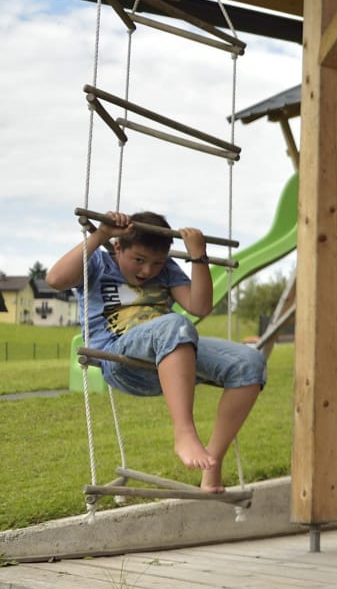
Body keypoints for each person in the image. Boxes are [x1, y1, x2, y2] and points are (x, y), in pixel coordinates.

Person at [46, 210, 268, 494]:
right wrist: (101, 234)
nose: (147, 271)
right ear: (118, 246)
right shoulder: (99, 264)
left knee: (250, 362)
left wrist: (198, 257)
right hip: (121, 358)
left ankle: (213, 463)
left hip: (169, 358)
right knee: (175, 324)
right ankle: (184, 433)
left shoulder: (167, 270)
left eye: (156, 263)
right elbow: (55, 279)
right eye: (139, 260)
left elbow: (200, 307)